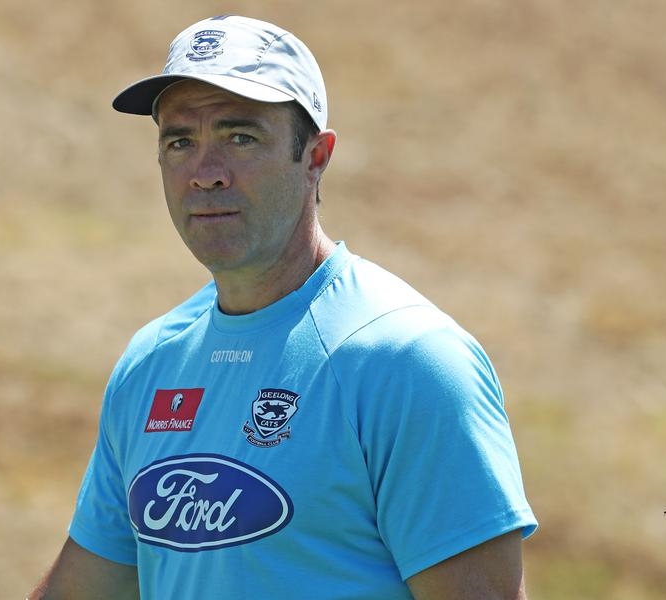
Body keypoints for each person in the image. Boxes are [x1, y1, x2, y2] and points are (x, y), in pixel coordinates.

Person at [28, 14, 537, 600]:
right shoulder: (152, 363)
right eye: (180, 142)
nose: (206, 174)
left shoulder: (407, 362)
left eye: (240, 138)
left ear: (316, 156)